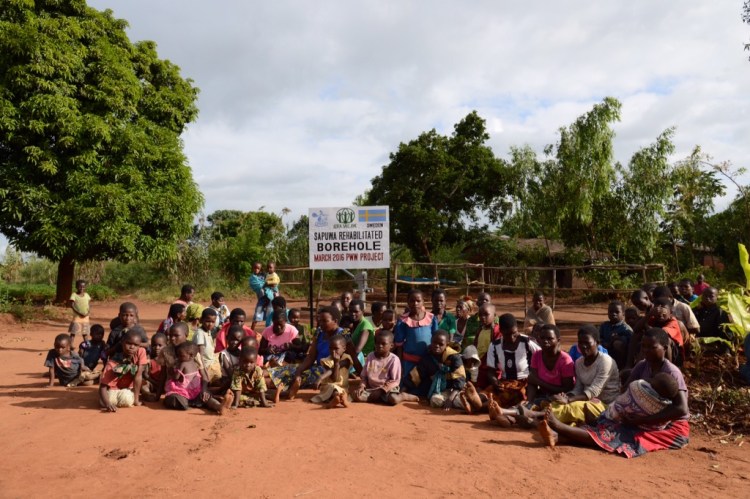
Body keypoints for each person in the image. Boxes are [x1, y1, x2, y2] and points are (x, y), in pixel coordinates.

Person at [539, 328, 690, 458]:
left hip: (669, 427)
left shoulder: (672, 372)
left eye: (651, 347)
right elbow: (625, 390)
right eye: (643, 346)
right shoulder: (642, 366)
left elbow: (681, 409)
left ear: (664, 347)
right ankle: (558, 437)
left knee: (619, 435)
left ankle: (559, 427)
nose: (645, 350)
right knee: (607, 424)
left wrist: (641, 420)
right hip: (641, 417)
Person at [273, 306, 358, 399]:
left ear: (335, 321)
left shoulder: (344, 335)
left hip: (332, 371)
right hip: (317, 366)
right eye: (320, 321)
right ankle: (284, 389)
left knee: (307, 375)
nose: (321, 324)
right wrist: (299, 371)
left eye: (325, 321)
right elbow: (311, 356)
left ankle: (285, 391)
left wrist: (363, 378)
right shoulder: (319, 332)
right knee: (289, 371)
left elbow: (354, 357)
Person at [462, 313, 541, 413]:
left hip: (523, 383)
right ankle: (476, 400)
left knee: (507, 396)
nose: (512, 337)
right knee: (490, 391)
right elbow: (491, 371)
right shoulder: (495, 346)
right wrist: (495, 382)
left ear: (517, 329)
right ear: (501, 331)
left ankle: (477, 406)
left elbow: (543, 357)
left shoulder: (527, 342)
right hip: (504, 382)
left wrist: (536, 378)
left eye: (514, 333)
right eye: (507, 334)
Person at [405, 330, 466, 409]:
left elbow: (460, 379)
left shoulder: (454, 357)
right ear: (431, 341)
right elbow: (416, 375)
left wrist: (450, 399)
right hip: (440, 391)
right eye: (434, 343)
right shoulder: (428, 357)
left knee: (461, 401)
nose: (437, 346)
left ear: (447, 344)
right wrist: (402, 390)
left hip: (455, 390)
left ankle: (471, 402)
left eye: (441, 344)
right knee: (435, 401)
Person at [354, 330, 418, 405]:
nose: (380, 346)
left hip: (388, 389)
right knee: (356, 395)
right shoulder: (370, 356)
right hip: (372, 388)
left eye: (383, 344)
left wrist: (381, 390)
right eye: (377, 343)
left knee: (393, 399)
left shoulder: (394, 359)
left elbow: (395, 381)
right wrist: (362, 386)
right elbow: (364, 376)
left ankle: (402, 396)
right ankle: (378, 398)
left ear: (391, 345)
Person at [601, 373, 679, 431]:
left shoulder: (637, 387)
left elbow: (630, 390)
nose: (649, 380)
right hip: (646, 428)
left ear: (653, 386)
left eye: (652, 380)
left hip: (620, 420)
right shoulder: (666, 407)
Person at [395, 289, 439, 388]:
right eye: (412, 301)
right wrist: (400, 364)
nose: (415, 303)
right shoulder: (403, 320)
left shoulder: (431, 318)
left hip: (427, 360)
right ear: (408, 302)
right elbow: (399, 344)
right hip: (409, 361)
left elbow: (436, 338)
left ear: (423, 301)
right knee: (409, 385)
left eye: (418, 301)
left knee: (426, 386)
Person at [163, 342, 223, 414]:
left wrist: (171, 373)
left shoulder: (183, 363)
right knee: (207, 399)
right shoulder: (196, 364)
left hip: (182, 392)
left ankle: (185, 404)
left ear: (191, 355)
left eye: (181, 356)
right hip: (196, 392)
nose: (179, 357)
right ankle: (219, 406)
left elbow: (176, 377)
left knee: (174, 398)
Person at [628, 297, 688, 368]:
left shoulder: (673, 322)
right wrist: (650, 314)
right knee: (637, 335)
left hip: (675, 356)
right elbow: (636, 329)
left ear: (671, 313)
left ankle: (667, 368)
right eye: (658, 311)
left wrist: (648, 328)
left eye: (664, 311)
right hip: (655, 349)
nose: (660, 314)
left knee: (666, 340)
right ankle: (629, 364)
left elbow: (661, 334)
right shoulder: (653, 319)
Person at [98, 329, 148, 411]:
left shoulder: (141, 351)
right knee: (105, 402)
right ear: (122, 342)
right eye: (128, 343)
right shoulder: (112, 363)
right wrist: (107, 404)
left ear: (139, 346)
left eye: (136, 345)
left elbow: (138, 375)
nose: (132, 347)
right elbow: (103, 386)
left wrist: (136, 400)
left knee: (126, 398)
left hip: (128, 388)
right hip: (113, 389)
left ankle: (132, 396)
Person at [526, 324, 575, 403]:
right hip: (543, 395)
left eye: (549, 338)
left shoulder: (565, 360)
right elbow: (532, 382)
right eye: (542, 338)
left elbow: (567, 389)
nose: (545, 341)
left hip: (561, 398)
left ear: (558, 340)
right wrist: (529, 402)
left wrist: (540, 382)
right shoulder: (536, 355)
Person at [310, 335, 353, 408]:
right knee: (332, 388)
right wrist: (336, 363)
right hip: (329, 386)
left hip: (342, 387)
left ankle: (343, 399)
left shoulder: (346, 359)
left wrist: (320, 378)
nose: (333, 351)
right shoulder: (326, 361)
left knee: (341, 391)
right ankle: (337, 398)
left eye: (336, 348)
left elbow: (333, 373)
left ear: (344, 349)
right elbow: (333, 379)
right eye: (331, 348)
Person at [693, 287, 733, 354]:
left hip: (714, 344)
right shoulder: (697, 310)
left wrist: (726, 351)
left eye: (711, 296)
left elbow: (726, 334)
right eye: (705, 296)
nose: (707, 298)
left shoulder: (720, 313)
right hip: (697, 341)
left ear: (717, 298)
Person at [599, 300, 633, 369]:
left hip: (618, 356)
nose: (613, 314)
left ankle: (620, 367)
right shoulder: (604, 326)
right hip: (604, 352)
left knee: (617, 344)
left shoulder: (626, 328)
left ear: (623, 314)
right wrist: (603, 343)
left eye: (617, 312)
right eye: (611, 312)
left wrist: (617, 338)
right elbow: (598, 337)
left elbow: (630, 343)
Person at [193, 308, 221, 383]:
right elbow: (200, 355)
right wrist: (204, 373)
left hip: (210, 362)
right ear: (201, 320)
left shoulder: (208, 331)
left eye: (213, 322)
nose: (210, 324)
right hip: (206, 365)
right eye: (208, 321)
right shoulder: (200, 333)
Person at [218, 326, 244, 390]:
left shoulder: (242, 352)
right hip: (229, 380)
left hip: (240, 379)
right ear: (227, 338)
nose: (234, 342)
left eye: (237, 340)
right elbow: (230, 374)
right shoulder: (224, 354)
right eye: (232, 339)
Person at [142, 333, 166, 400]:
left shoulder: (167, 360)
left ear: (166, 346)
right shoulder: (149, 359)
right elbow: (145, 375)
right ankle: (148, 394)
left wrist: (160, 384)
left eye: (160, 345)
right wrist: (155, 383)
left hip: (164, 385)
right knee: (144, 385)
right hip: (152, 383)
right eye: (154, 345)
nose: (157, 348)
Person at [68, 279, 91, 346]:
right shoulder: (74, 295)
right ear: (76, 287)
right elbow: (72, 305)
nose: (82, 288)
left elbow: (88, 304)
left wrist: (88, 312)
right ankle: (70, 346)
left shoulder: (87, 295)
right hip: (77, 317)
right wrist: (79, 313)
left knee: (85, 333)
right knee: (73, 332)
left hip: (85, 317)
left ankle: (87, 345)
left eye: (83, 287)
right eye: (80, 287)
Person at [249, 262, 271, 331]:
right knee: (256, 315)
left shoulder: (265, 275)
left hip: (269, 298)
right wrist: (266, 284)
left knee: (269, 315)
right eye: (255, 268)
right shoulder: (252, 278)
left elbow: (272, 282)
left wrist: (267, 284)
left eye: (258, 268)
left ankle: (268, 332)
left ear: (260, 269)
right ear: (252, 268)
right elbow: (258, 286)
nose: (256, 269)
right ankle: (251, 331)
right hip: (261, 299)